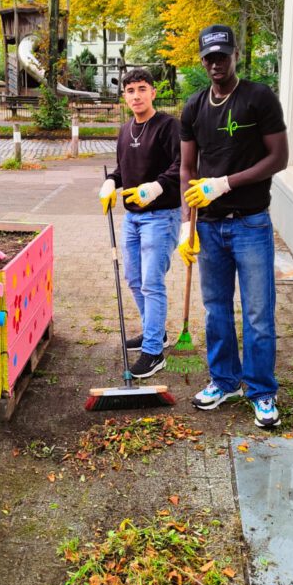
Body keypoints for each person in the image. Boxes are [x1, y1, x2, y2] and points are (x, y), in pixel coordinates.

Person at [178, 24, 288, 426]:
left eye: (222, 55)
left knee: (259, 313)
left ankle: (261, 391)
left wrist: (224, 183)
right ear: (202, 59)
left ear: (235, 54)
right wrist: (185, 226)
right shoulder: (193, 108)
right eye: (209, 57)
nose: (216, 63)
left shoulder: (258, 98)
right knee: (216, 311)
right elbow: (187, 168)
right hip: (208, 227)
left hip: (251, 224)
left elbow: (278, 158)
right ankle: (225, 381)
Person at [98, 68, 181, 379]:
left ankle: (153, 353)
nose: (136, 95)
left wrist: (156, 187)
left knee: (151, 282)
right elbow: (123, 168)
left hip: (161, 216)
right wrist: (110, 182)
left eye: (142, 89)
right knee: (133, 278)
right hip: (132, 217)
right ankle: (154, 333)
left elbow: (184, 164)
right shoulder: (124, 130)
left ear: (153, 93)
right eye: (130, 90)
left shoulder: (169, 126)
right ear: (124, 95)